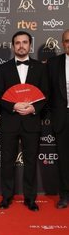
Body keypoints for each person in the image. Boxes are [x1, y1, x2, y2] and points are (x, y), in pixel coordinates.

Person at [0, 31, 48, 211]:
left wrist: (34, 108)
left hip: (32, 122)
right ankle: (6, 197)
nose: (21, 46)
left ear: (30, 45)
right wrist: (13, 106)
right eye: (17, 43)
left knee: (31, 162)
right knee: (7, 162)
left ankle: (30, 198)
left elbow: (45, 95)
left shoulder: (41, 68)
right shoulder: (3, 69)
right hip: (10, 121)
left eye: (24, 42)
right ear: (13, 46)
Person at [47, 29, 69, 209]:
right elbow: (47, 93)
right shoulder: (54, 63)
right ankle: (65, 196)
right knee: (64, 160)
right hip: (62, 118)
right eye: (67, 41)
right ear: (63, 43)